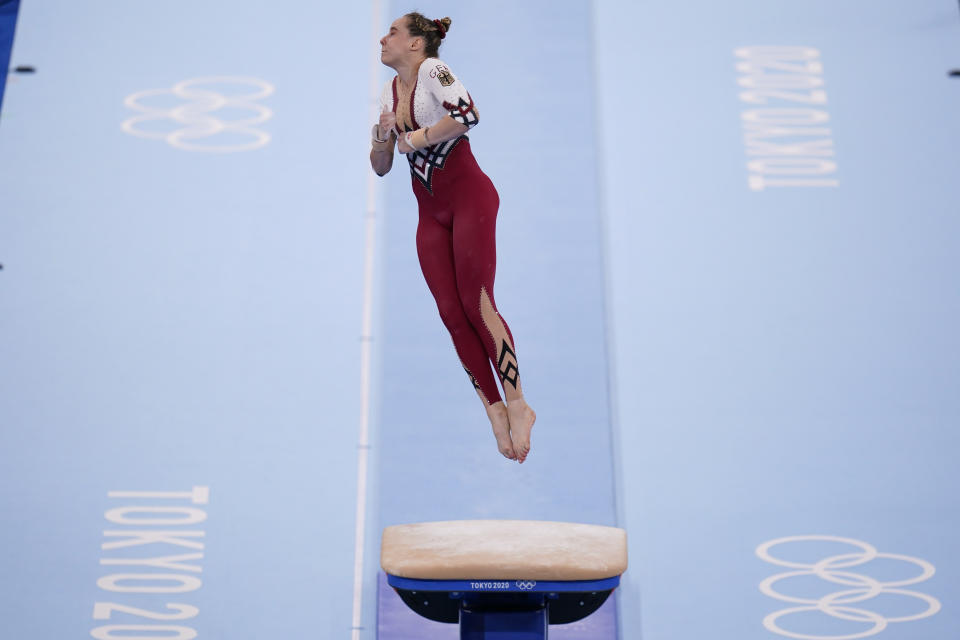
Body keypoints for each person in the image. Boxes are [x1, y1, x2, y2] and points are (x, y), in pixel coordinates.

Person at [370, 12, 536, 463]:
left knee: (478, 303)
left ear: (417, 45)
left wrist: (414, 138)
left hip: (470, 202)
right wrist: (384, 136)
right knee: (450, 313)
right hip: (431, 215)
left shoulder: (433, 71)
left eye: (394, 33)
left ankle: (519, 403)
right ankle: (494, 410)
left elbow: (467, 114)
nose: (383, 38)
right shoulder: (390, 91)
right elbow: (381, 167)